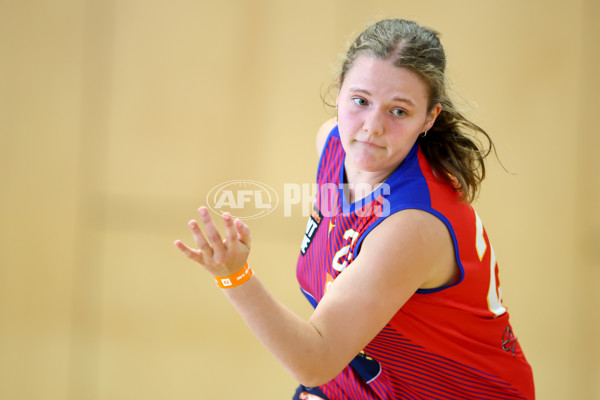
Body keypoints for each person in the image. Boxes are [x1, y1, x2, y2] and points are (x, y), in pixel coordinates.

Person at [174, 18, 535, 399]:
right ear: (339, 94)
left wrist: (235, 276)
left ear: (429, 119)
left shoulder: (411, 226)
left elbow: (316, 360)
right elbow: (345, 224)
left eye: (398, 111)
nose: (372, 126)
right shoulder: (332, 144)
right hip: (363, 382)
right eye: (360, 101)